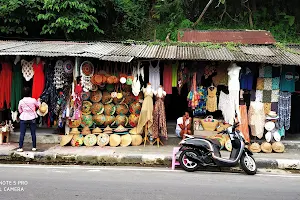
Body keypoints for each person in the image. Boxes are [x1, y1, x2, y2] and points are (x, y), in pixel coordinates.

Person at [17, 87, 40, 152]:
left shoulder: (21, 101)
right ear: (30, 93)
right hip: (32, 117)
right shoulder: (33, 100)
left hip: (23, 117)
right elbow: (38, 106)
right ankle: (34, 147)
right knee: (33, 133)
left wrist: (24, 112)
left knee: (22, 133)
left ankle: (20, 147)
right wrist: (39, 101)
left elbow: (19, 110)